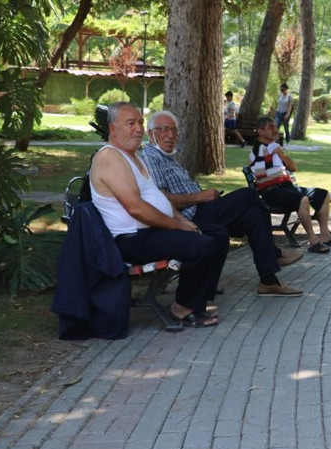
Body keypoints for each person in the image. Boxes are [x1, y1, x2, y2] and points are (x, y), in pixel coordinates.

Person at [88, 102, 230, 328]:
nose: (138, 129)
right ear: (113, 129)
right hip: (130, 240)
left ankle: (199, 298)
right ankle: (182, 308)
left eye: (140, 123)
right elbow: (135, 208)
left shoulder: (134, 156)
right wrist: (177, 227)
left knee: (218, 234)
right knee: (201, 245)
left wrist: (182, 219)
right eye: (131, 123)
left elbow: (158, 198)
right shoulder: (110, 157)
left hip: (150, 231)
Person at [141, 110, 302, 298]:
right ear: (150, 132)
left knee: (255, 217)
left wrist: (204, 196)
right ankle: (274, 254)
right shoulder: (151, 158)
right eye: (164, 129)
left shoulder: (167, 159)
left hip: (203, 209)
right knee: (250, 194)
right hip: (188, 218)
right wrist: (200, 197)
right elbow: (161, 200)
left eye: (174, 131)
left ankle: (269, 281)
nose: (170, 135)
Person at [249, 116, 331, 254]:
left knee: (323, 194)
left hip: (287, 188)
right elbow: (262, 176)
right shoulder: (256, 151)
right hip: (272, 192)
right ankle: (313, 241)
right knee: (303, 199)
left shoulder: (275, 149)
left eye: (275, 126)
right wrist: (274, 158)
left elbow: (293, 168)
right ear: (260, 131)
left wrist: (281, 156)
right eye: (271, 127)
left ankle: (325, 235)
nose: (275, 130)